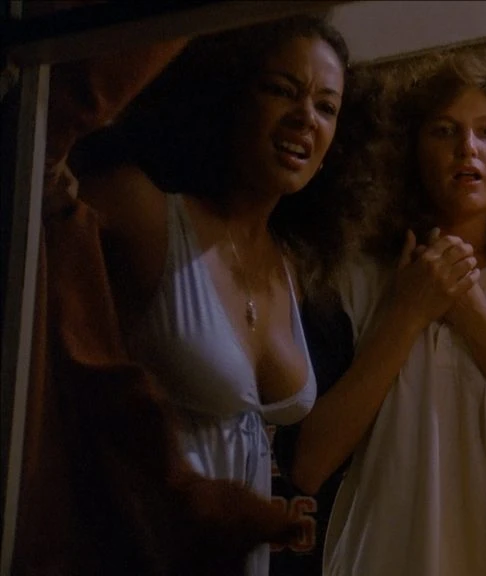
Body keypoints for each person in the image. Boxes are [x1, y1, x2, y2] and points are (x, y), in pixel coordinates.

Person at [283, 49, 486, 576]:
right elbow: (307, 463)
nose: (468, 147)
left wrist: (473, 314)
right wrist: (406, 312)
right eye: (444, 131)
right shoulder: (352, 279)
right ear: (410, 151)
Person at [74, 15, 365, 576]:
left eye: (327, 107)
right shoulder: (144, 211)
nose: (305, 116)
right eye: (281, 90)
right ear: (229, 94)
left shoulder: (292, 266)